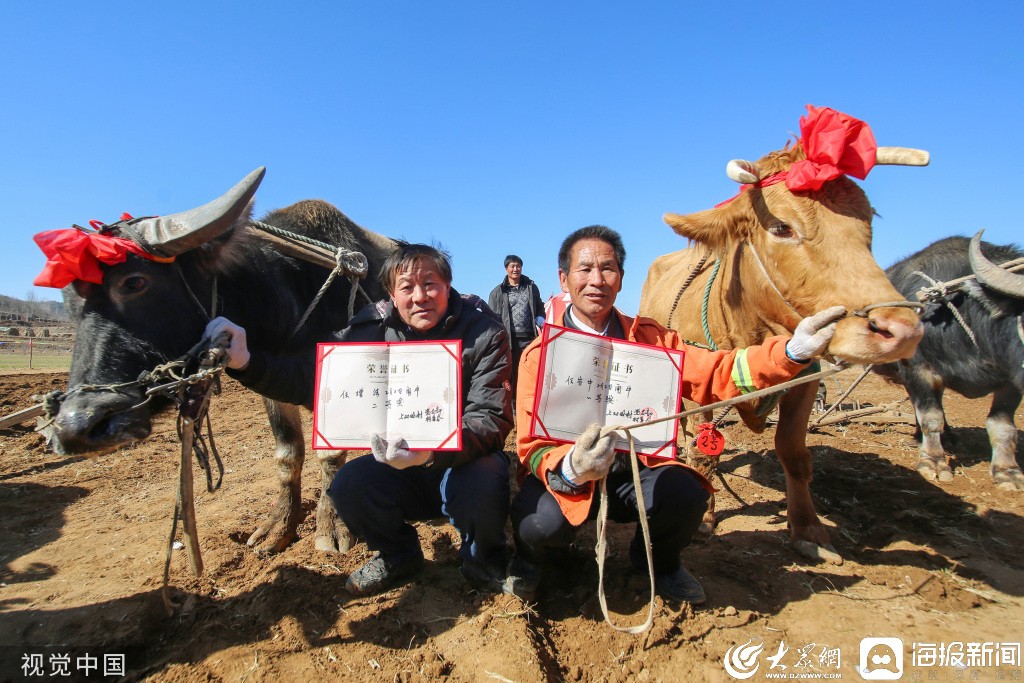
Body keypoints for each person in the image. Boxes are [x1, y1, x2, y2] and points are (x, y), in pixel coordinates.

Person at [507, 226, 844, 604]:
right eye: (584, 270)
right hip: (571, 479)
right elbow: (530, 446)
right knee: (539, 523)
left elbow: (717, 372)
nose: (596, 280)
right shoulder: (541, 355)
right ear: (564, 279)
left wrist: (792, 351)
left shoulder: (653, 342)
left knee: (686, 494)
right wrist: (571, 467)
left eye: (608, 269)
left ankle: (658, 562)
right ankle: (529, 562)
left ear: (620, 279)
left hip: (634, 472)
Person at [205, 242, 514, 596]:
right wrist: (247, 362)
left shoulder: (485, 334)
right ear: (392, 294)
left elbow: (489, 418)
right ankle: (399, 554)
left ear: (447, 285)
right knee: (348, 485)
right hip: (399, 463)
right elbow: (311, 379)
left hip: (463, 461)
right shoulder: (369, 330)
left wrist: (430, 453)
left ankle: (484, 559)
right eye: (407, 287)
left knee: (485, 480)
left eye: (430, 284)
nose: (420, 296)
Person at [487, 255, 545, 401]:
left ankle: (530, 400)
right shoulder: (498, 292)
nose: (515, 269)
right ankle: (513, 404)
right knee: (510, 373)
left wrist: (540, 317)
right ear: (506, 269)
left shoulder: (531, 287)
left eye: (518, 266)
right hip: (509, 339)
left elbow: (539, 305)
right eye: (512, 266)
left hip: (529, 337)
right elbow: (491, 316)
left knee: (530, 369)